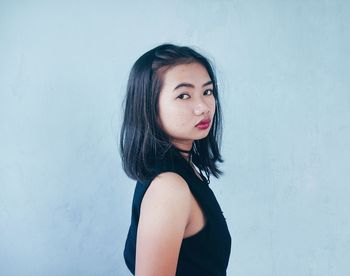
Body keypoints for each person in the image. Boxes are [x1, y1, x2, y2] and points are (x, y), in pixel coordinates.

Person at [119, 43, 231, 276]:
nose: (203, 107)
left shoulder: (183, 171)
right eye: (183, 95)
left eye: (207, 91)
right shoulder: (169, 187)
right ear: (150, 107)